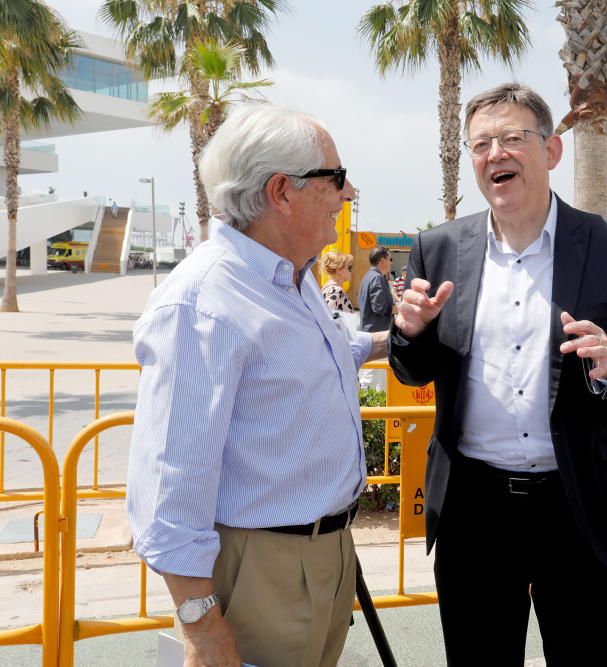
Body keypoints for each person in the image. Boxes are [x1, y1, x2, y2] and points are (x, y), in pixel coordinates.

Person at [387, 83, 607, 665]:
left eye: (513, 138)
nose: (496, 153)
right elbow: (412, 363)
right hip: (474, 509)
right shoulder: (437, 248)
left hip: (579, 506)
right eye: (481, 144)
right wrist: (411, 333)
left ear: (551, 152)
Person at [126, 105, 387, 667]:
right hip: (260, 571)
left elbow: (323, 357)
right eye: (335, 178)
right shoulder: (203, 304)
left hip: (324, 556)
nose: (348, 193)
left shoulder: (292, 278)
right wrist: (201, 626)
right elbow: (171, 486)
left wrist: (401, 337)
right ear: (281, 191)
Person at [359, 246, 393, 332]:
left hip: (369, 330)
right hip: (376, 333)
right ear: (382, 261)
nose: (391, 263)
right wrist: (399, 308)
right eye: (390, 259)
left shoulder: (369, 276)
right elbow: (379, 308)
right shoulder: (377, 278)